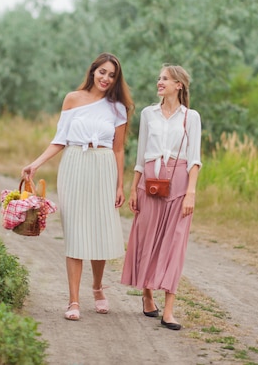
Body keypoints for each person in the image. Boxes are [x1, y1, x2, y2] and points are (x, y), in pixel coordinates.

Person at [21, 52, 134, 321]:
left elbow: (119, 150)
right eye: (102, 72)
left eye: (112, 75)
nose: (106, 78)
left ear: (116, 79)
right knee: (75, 232)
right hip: (74, 165)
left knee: (100, 231)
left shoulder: (118, 107)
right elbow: (60, 139)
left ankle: (97, 288)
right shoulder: (73, 99)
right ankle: (73, 301)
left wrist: (120, 185)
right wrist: (35, 164)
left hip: (104, 167)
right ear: (93, 71)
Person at [121, 64, 202, 331]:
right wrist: (134, 188)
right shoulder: (148, 114)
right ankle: (147, 295)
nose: (159, 82)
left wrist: (191, 192)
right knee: (147, 240)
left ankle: (168, 311)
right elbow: (141, 153)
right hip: (149, 183)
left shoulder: (191, 117)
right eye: (158, 78)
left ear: (179, 85)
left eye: (165, 79)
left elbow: (195, 160)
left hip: (178, 186)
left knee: (174, 245)